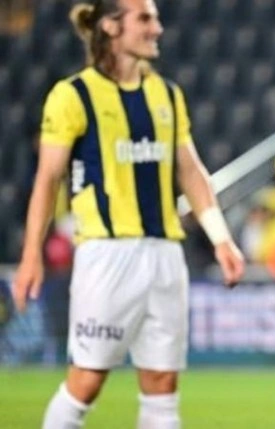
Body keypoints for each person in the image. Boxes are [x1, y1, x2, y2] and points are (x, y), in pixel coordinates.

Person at [11, 1, 245, 428]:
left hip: (165, 254)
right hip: (107, 254)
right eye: (145, 18)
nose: (158, 28)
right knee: (86, 381)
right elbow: (48, 180)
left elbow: (190, 170)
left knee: (162, 384)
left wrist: (221, 238)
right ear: (110, 26)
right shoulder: (73, 95)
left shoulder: (167, 94)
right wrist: (31, 256)